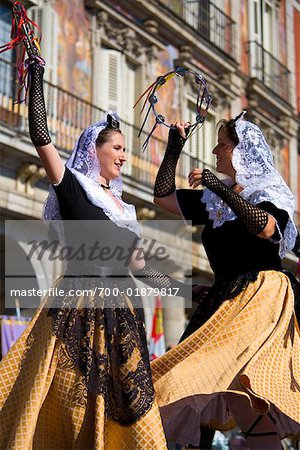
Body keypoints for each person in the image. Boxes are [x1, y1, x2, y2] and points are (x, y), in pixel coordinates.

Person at [0, 58, 191, 449]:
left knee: (124, 409)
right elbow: (40, 136)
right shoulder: (73, 188)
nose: (123, 155)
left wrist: (177, 289)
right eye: (117, 147)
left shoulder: (125, 212)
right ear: (96, 149)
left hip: (123, 313)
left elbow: (140, 268)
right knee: (72, 403)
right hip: (77, 309)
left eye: (124, 148)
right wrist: (36, 76)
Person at [151, 114, 300, 450]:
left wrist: (219, 187)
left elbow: (266, 229)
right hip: (224, 298)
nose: (216, 150)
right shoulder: (214, 200)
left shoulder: (269, 190)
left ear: (241, 150)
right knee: (207, 387)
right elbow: (163, 197)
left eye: (223, 143)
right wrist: (175, 148)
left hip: (259, 294)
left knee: (223, 384)